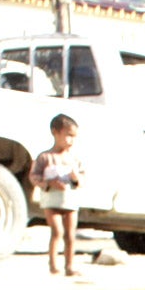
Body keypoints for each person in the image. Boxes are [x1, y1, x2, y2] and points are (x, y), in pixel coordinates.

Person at [31, 115, 85, 277]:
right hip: (51, 201)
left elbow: (82, 179)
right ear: (55, 132)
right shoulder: (45, 157)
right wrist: (48, 183)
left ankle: (70, 266)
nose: (70, 140)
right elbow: (34, 176)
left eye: (73, 137)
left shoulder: (74, 159)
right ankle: (53, 264)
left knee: (70, 234)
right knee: (57, 231)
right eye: (67, 135)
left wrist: (76, 179)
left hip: (70, 201)